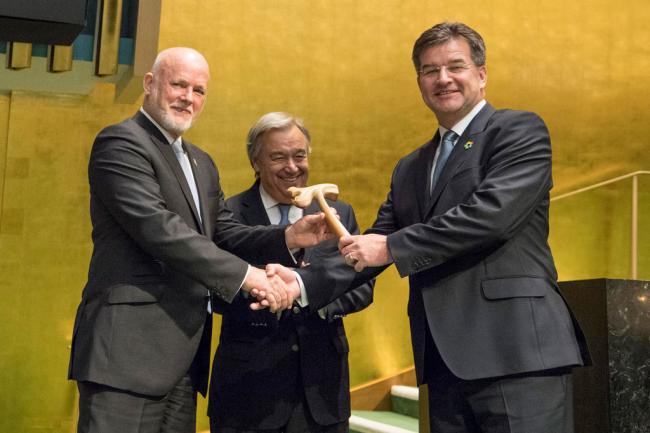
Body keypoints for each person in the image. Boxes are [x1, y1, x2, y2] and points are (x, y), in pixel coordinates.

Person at [266, 22, 591, 433]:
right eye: (429, 70)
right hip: (442, 364)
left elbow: (489, 217)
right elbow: (369, 247)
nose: (443, 78)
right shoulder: (410, 167)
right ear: (419, 81)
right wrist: (301, 283)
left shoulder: (518, 130)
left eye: (455, 66)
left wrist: (391, 247)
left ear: (481, 74)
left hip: (517, 355)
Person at [68, 48, 330, 433]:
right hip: (126, 354)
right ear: (149, 84)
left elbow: (225, 232)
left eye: (199, 90)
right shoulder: (121, 143)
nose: (188, 97)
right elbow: (160, 231)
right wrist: (250, 277)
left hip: (184, 358)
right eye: (179, 85)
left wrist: (288, 236)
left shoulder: (200, 162)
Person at [207, 112, 374, 433]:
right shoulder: (228, 216)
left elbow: (362, 286)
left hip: (322, 391)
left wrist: (305, 293)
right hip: (247, 394)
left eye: (300, 156)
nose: (292, 167)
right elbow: (213, 291)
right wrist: (267, 292)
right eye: (278, 157)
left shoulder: (338, 213)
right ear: (255, 162)